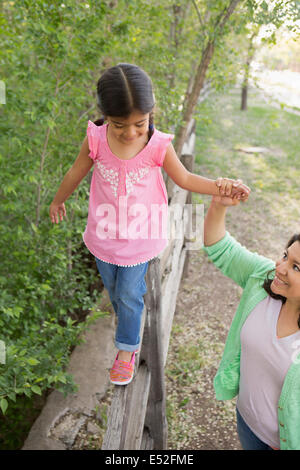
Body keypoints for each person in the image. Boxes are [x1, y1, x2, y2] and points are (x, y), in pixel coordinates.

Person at [49, 63, 249, 386]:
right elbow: (76, 172)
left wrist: (221, 186)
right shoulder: (96, 139)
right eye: (119, 125)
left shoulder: (156, 145)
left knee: (129, 293)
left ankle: (126, 349)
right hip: (104, 236)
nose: (130, 133)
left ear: (151, 112)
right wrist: (58, 199)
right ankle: (129, 319)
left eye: (139, 124)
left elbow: (183, 178)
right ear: (106, 117)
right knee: (116, 291)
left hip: (141, 237)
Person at [203, 182, 300, 450]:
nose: (280, 268)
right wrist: (219, 206)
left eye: (296, 267)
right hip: (246, 423)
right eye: (285, 256)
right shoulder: (264, 278)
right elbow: (220, 248)